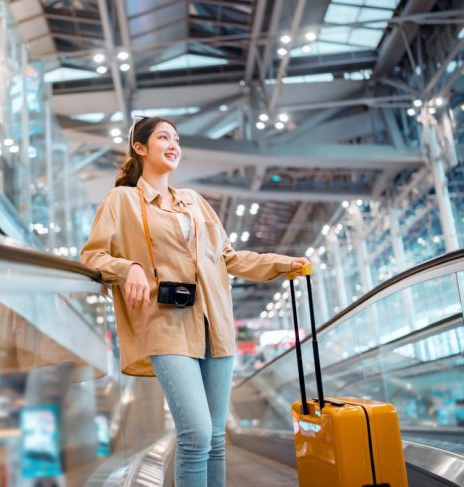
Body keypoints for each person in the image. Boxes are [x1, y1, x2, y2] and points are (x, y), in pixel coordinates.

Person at [80, 116, 308, 486]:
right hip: (165, 326)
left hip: (215, 326)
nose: (174, 145)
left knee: (216, 440)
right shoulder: (121, 201)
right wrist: (130, 267)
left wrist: (281, 264)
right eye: (163, 137)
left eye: (177, 139)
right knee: (197, 434)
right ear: (140, 147)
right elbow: (93, 256)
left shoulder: (196, 203)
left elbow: (229, 258)